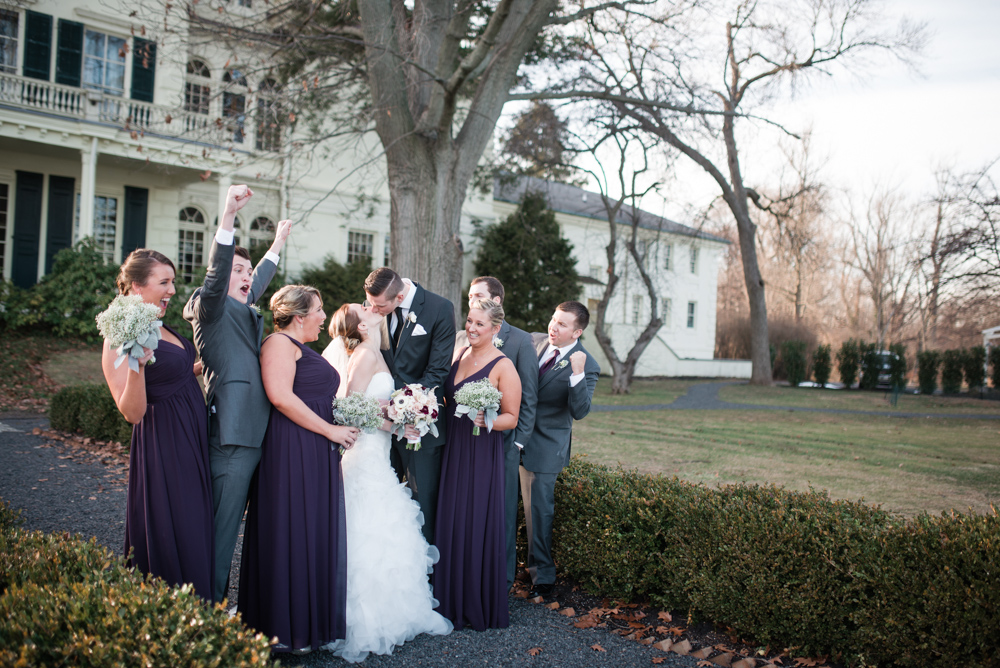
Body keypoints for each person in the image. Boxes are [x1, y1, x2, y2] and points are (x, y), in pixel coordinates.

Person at [322, 303, 452, 663]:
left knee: (382, 525)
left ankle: (394, 611)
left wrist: (402, 418)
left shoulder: (375, 351)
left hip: (378, 451)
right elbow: (345, 408)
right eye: (363, 309)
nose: (370, 307)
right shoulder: (364, 354)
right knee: (368, 527)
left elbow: (371, 406)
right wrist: (392, 423)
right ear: (362, 327)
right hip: (364, 454)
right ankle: (361, 618)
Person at [183, 184, 291, 604]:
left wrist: (278, 243)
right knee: (222, 530)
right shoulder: (209, 306)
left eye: (249, 273)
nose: (248, 279)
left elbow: (258, 278)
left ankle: (225, 605)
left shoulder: (241, 307)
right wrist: (228, 213)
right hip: (232, 438)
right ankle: (205, 611)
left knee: (240, 530)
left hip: (255, 435)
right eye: (240, 272)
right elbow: (218, 273)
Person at [238, 285, 359, 654]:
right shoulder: (278, 344)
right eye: (319, 311)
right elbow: (280, 396)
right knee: (291, 529)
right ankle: (280, 629)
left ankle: (305, 627)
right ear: (300, 316)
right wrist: (330, 430)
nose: (324, 318)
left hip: (314, 448)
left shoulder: (300, 348)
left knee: (309, 531)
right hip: (291, 450)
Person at [101, 249, 214, 600]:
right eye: (164, 282)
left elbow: (175, 372)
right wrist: (136, 361)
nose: (172, 291)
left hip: (191, 437)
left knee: (196, 524)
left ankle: (201, 613)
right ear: (136, 287)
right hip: (164, 443)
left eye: (173, 282)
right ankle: (173, 614)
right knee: (178, 525)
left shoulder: (157, 323)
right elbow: (132, 412)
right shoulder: (119, 333)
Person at [433, 298, 521, 631]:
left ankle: (474, 603)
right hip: (455, 448)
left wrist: (488, 420)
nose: (471, 327)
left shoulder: (503, 366)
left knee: (474, 522)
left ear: (495, 328)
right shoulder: (461, 355)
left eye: (479, 324)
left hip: (481, 452)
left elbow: (512, 417)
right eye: (469, 321)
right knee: (453, 519)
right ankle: (449, 600)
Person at [455, 276, 538, 590]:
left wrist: (518, 441)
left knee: (501, 512)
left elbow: (529, 396)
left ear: (497, 301)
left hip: (502, 440)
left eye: (478, 295)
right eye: (471, 295)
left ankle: (501, 578)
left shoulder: (520, 340)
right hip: (467, 443)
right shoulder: (466, 338)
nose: (471, 299)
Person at [363, 267, 455, 544]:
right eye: (370, 303)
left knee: (421, 503)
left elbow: (437, 371)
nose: (373, 310)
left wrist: (400, 407)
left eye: (380, 306)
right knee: (381, 500)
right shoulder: (376, 307)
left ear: (400, 296)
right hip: (379, 430)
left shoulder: (439, 309)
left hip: (419, 426)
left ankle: (423, 575)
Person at [520, 301, 600, 598]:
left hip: (545, 447)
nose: (553, 326)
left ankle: (542, 577)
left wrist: (577, 374)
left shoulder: (587, 364)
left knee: (538, 514)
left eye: (562, 324)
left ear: (577, 332)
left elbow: (580, 411)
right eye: (554, 319)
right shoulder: (534, 341)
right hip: (512, 438)